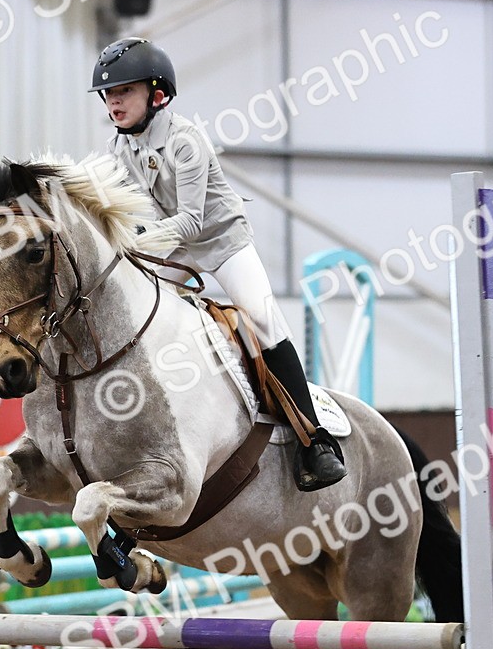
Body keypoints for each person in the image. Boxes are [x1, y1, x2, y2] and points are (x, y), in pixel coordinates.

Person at [89, 36, 346, 492]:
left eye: (124, 91)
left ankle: (316, 441)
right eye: (109, 95)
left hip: (221, 240)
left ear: (157, 93)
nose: (113, 102)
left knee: (265, 321)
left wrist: (136, 240)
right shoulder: (117, 149)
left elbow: (190, 220)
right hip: (175, 244)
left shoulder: (186, 142)